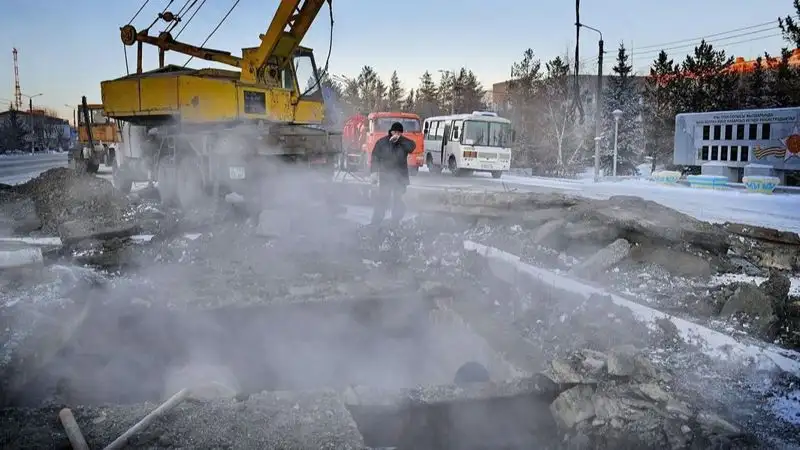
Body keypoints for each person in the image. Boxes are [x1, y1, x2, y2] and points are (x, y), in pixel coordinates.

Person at [368, 121, 416, 227]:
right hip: (385, 177)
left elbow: (412, 146)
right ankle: (376, 222)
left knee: (398, 200)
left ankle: (395, 222)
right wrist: (374, 172)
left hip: (400, 178)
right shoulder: (382, 142)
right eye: (396, 132)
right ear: (391, 131)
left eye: (400, 133)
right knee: (383, 199)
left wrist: (401, 140)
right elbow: (375, 157)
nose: (397, 134)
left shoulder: (403, 143)